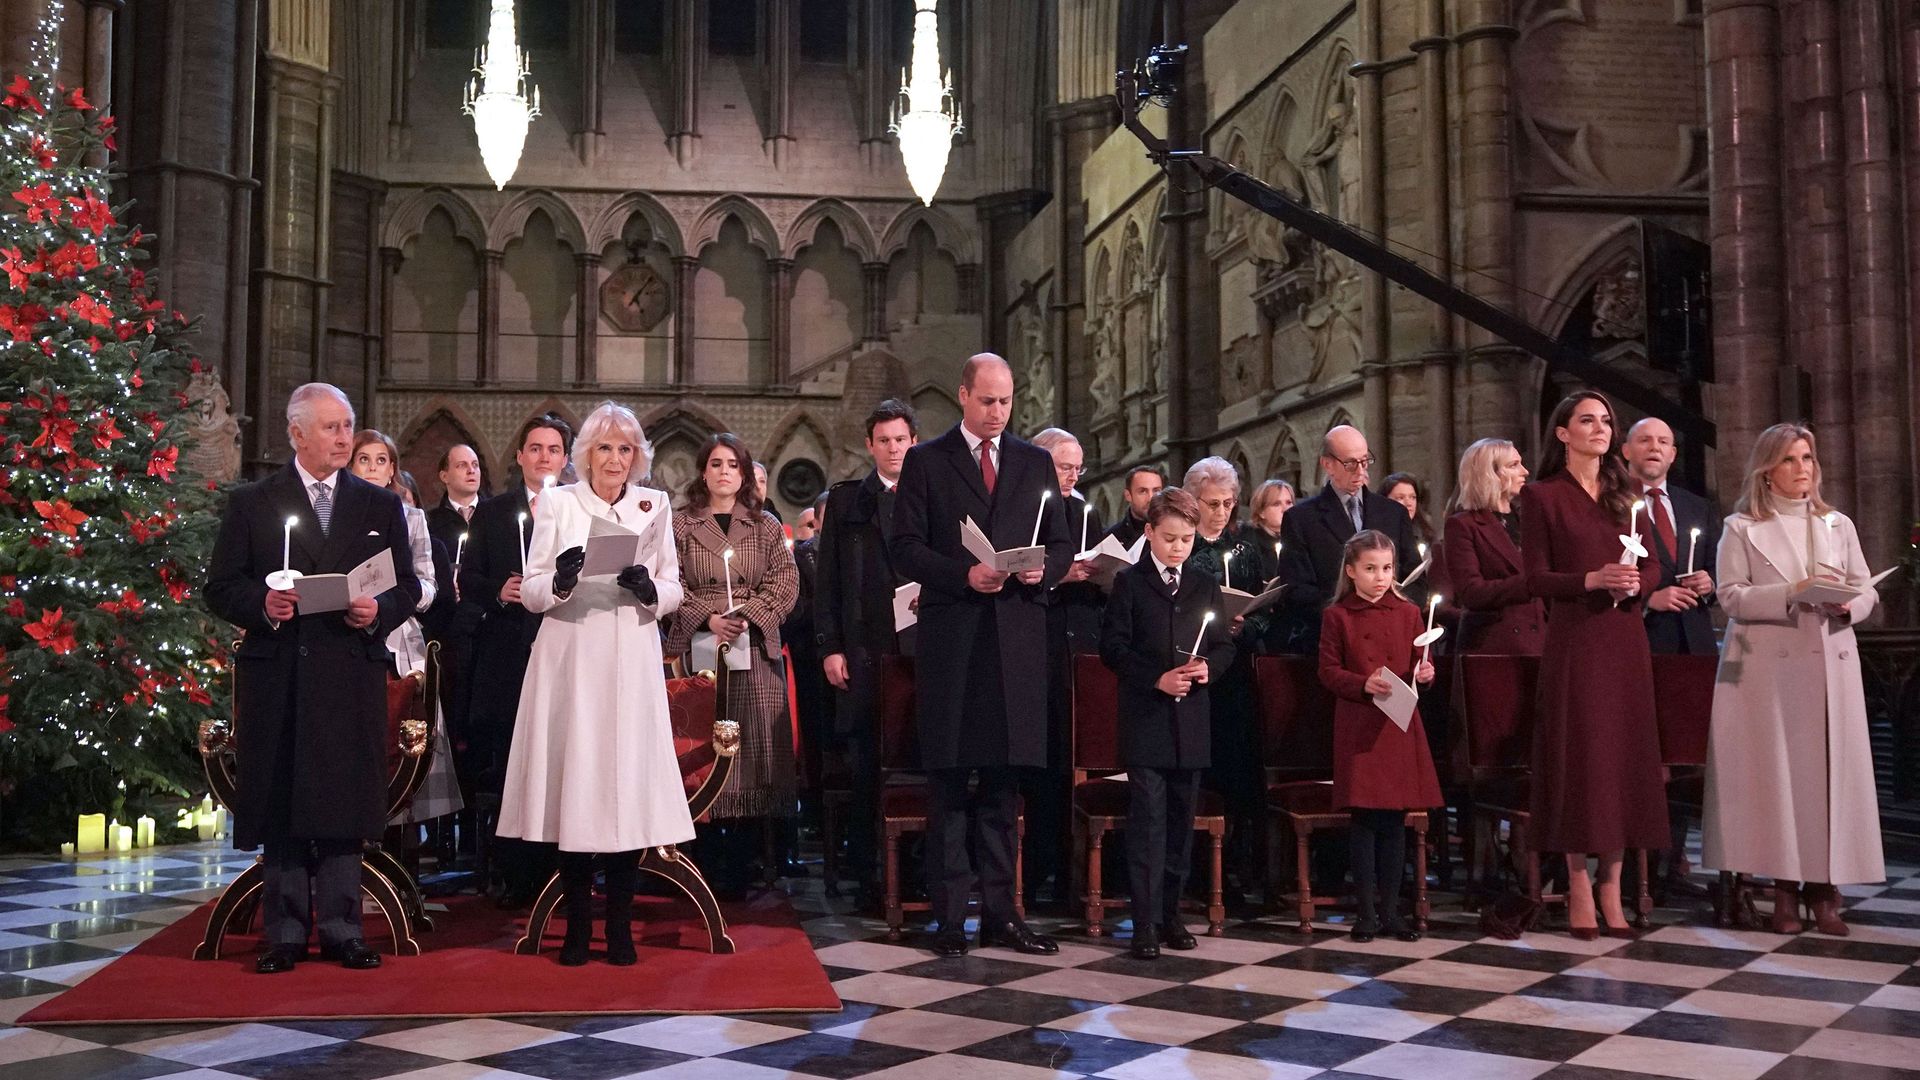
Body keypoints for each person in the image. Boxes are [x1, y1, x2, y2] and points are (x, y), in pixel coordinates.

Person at [205, 383, 421, 974]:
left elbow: (408, 586)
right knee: (284, 798)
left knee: (343, 801)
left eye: (348, 425)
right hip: (281, 675)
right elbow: (221, 586)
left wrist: (379, 611)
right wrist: (262, 605)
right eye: (331, 427)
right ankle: (285, 934)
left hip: (349, 669)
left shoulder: (379, 505)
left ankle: (345, 928)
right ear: (296, 434)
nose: (344, 438)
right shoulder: (255, 501)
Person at [493, 402, 688, 964]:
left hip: (629, 654)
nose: (615, 460)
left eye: (625, 450)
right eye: (605, 448)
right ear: (585, 455)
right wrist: (559, 579)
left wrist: (649, 587)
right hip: (572, 658)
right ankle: (579, 926)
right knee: (576, 786)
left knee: (624, 787)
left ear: (637, 458)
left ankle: (620, 929)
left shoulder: (655, 505)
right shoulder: (557, 502)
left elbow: (675, 585)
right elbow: (529, 591)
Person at [891, 353, 1071, 958]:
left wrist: (1041, 570)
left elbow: (1062, 541)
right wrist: (962, 575)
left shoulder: (1033, 460)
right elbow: (906, 548)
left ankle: (1002, 914)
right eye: (988, 401)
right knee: (948, 788)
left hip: (1015, 642)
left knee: (1001, 788)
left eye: (1007, 401)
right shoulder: (925, 461)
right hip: (954, 643)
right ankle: (948, 918)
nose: (998, 413)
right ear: (963, 396)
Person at [1703, 424, 1883, 936]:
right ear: (1767, 468)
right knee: (1779, 777)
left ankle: (1826, 891)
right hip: (1770, 668)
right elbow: (1731, 596)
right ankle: (1784, 887)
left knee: (1829, 775)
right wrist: (1791, 591)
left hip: (1829, 659)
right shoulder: (1741, 526)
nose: (1803, 467)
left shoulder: (1836, 523)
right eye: (1790, 459)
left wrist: (1852, 604)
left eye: (1807, 457)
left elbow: (1865, 587)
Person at [1519, 390, 1667, 940]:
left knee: (1623, 759)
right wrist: (1590, 579)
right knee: (1582, 759)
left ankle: (1614, 887)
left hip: (1624, 637)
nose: (1601, 429)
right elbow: (1534, 577)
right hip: (1577, 640)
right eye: (1588, 420)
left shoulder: (1625, 491)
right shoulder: (1542, 496)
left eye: (1607, 420)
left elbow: (1651, 565)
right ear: (1563, 433)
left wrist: (1636, 581)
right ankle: (1579, 882)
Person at [1100, 488, 1234, 960]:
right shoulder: (1130, 584)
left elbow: (1223, 645)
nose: (1179, 547)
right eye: (1170, 538)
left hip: (1192, 723)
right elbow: (1112, 649)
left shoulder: (1203, 585)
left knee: (1181, 825)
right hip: (1147, 721)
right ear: (1149, 533)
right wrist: (1156, 678)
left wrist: (1207, 669)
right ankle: (1143, 924)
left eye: (1187, 539)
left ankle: (1171, 915)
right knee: (1149, 825)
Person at [664, 433, 800, 898]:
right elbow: (670, 582)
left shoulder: (763, 527)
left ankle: (743, 862)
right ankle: (701, 859)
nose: (724, 471)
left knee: (751, 755)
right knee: (701, 751)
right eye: (716, 464)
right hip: (700, 655)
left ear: (744, 475)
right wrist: (708, 617)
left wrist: (746, 617)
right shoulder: (679, 525)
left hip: (754, 653)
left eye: (733, 465)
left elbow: (785, 581)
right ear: (703, 471)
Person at [459, 413, 572, 907]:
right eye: (536, 449)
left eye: (553, 450)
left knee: (561, 763)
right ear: (520, 457)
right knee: (511, 765)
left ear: (566, 460)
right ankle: (515, 874)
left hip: (562, 647)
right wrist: (500, 591)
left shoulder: (575, 509)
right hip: (508, 654)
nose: (544, 457)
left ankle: (563, 871)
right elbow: (469, 578)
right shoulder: (493, 511)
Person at [816, 399, 918, 906]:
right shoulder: (848, 500)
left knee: (917, 758)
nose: (893, 448)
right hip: (864, 647)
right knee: (864, 762)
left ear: (913, 442)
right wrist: (831, 647)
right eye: (884, 440)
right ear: (870, 446)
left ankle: (915, 873)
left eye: (901, 439)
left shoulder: (930, 495)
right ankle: (868, 876)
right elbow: (830, 581)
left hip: (919, 651)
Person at [1318, 529, 1441, 942]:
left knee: (1395, 823)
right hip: (1359, 725)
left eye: (1387, 568)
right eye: (1370, 569)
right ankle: (1366, 914)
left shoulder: (1408, 613)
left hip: (1398, 724)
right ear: (1351, 571)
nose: (1380, 577)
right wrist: (1361, 683)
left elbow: (1417, 665)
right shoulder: (1338, 616)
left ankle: (1391, 912)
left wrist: (1425, 673)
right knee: (1364, 822)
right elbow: (1328, 671)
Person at [348, 435, 465, 837]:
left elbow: (430, 586)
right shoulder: (336, 512)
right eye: (364, 459)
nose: (373, 467)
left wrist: (400, 598)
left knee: (402, 747)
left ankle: (401, 850)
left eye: (382, 460)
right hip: (344, 632)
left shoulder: (412, 518)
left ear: (393, 469)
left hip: (399, 640)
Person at [1031, 427, 1102, 906]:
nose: (1074, 476)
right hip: (1039, 650)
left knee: (1081, 764)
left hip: (1082, 649)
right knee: (1043, 769)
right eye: (1064, 467)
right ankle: (1037, 875)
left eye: (1078, 468)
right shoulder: (1026, 509)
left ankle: (1079, 879)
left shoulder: (1084, 511)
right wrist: (1061, 575)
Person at [1276, 426, 1420, 654]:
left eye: (1365, 461)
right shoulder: (1301, 518)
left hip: (1391, 637)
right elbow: (1297, 589)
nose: (1360, 471)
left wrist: (1393, 615)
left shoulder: (1393, 513)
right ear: (1327, 464)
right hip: (1333, 641)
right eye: (1350, 463)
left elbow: (1415, 578)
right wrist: (1351, 615)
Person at [1621, 418, 1719, 652]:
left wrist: (1710, 583)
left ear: (1672, 454)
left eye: (1663, 442)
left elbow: (1718, 566)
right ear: (1626, 450)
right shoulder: (1611, 505)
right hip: (1642, 640)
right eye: (1645, 440)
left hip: (1697, 642)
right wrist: (1648, 600)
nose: (1655, 447)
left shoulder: (1697, 507)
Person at [1443, 439, 1543, 655]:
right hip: (1495, 643)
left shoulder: (1530, 519)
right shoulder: (1462, 525)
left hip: (1541, 639)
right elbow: (1472, 592)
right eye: (1514, 465)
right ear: (1491, 474)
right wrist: (1532, 583)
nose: (1525, 471)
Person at [1244, 478, 1294, 587]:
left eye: (1289, 502)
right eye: (1277, 504)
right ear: (1261, 512)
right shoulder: (1249, 541)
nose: (1285, 509)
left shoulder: (1297, 537)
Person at [1104, 466, 1165, 550]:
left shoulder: (1176, 530)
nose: (1150, 498)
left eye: (1156, 491)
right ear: (1128, 495)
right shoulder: (1111, 539)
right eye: (1143, 491)